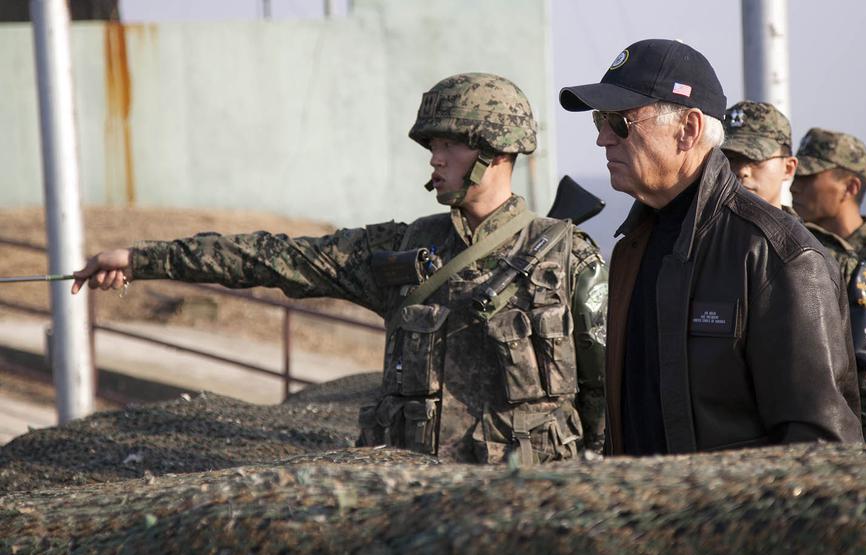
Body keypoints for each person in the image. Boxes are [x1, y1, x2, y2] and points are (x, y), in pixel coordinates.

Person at [71, 73, 610, 465]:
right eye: (432, 146)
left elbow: (607, 387)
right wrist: (143, 260)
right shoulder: (403, 249)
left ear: (495, 152)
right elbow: (272, 256)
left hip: (527, 504)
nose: (434, 159)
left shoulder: (568, 259)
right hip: (409, 501)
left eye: (448, 145)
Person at [559, 38, 862, 455]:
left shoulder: (777, 255)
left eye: (621, 122)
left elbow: (821, 444)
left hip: (733, 519)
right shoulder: (632, 245)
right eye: (600, 122)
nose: (603, 140)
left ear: (689, 129)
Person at [722, 101, 866, 445]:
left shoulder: (831, 259)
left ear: (787, 168)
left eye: (754, 160)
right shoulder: (703, 252)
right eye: (730, 160)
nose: (741, 172)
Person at [792, 129, 866, 401]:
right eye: (796, 175)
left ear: (850, 187)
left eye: (809, 177)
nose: (795, 186)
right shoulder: (804, 252)